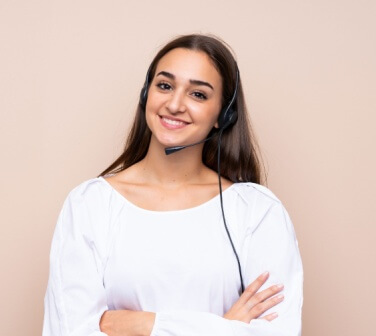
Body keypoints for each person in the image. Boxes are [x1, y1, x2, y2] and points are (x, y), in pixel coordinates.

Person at [43, 34, 303, 336]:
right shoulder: (90, 205)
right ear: (146, 95)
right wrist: (224, 328)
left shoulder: (257, 211)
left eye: (198, 95)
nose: (175, 104)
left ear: (224, 114)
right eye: (165, 86)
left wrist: (145, 325)